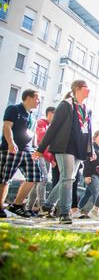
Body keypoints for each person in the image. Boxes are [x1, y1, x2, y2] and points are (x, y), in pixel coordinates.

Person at [33, 80, 93, 224]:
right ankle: (64, 213)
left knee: (67, 178)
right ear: (78, 89)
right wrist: (41, 149)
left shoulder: (85, 108)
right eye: (87, 88)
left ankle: (47, 206)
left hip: (79, 149)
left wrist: (89, 150)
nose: (89, 90)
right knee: (67, 178)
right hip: (64, 146)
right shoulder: (65, 105)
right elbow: (53, 128)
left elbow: (88, 130)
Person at [0, 89, 42, 218]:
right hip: (12, 149)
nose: (39, 101)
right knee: (5, 179)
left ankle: (16, 205)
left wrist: (35, 147)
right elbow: (7, 126)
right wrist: (11, 143)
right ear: (28, 98)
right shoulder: (14, 109)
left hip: (28, 151)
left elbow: (31, 132)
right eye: (37, 98)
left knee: (35, 175)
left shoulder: (32, 114)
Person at [26, 106, 56, 216]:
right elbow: (41, 137)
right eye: (54, 114)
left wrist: (52, 159)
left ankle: (28, 207)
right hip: (40, 155)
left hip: (48, 158)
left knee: (37, 183)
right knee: (43, 179)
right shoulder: (42, 123)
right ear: (49, 114)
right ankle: (42, 207)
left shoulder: (52, 127)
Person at [73, 130, 99, 217]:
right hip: (92, 174)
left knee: (87, 195)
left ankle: (77, 209)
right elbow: (87, 162)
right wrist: (87, 175)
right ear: (95, 137)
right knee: (97, 192)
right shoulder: (91, 148)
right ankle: (98, 212)